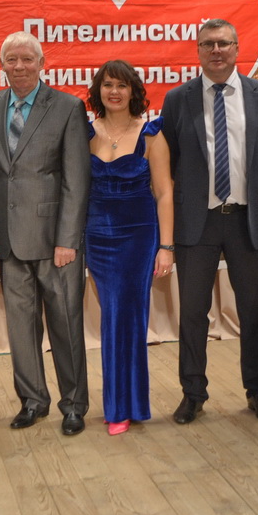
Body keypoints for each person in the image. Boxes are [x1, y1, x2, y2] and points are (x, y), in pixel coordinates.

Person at [161, 18, 258, 425]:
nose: (216, 50)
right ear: (198, 50)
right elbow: (173, 157)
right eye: (208, 44)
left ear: (236, 48)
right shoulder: (177, 99)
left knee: (253, 311)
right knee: (193, 313)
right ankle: (193, 393)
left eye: (224, 43)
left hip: (246, 220)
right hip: (197, 222)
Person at [0, 31, 91, 436]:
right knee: (20, 329)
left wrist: (68, 239)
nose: (20, 66)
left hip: (55, 242)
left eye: (27, 59)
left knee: (66, 324)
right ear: (2, 65)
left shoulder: (67, 107)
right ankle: (32, 400)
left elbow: (76, 179)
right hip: (9, 241)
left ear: (42, 64)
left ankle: (73, 404)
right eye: (12, 59)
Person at [85, 60, 175, 435]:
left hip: (138, 238)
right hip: (97, 239)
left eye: (122, 85)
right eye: (108, 85)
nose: (115, 92)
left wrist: (166, 246)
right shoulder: (84, 133)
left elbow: (164, 192)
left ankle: (125, 406)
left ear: (133, 91)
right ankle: (123, 403)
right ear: (98, 91)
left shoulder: (151, 134)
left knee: (129, 317)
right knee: (111, 317)